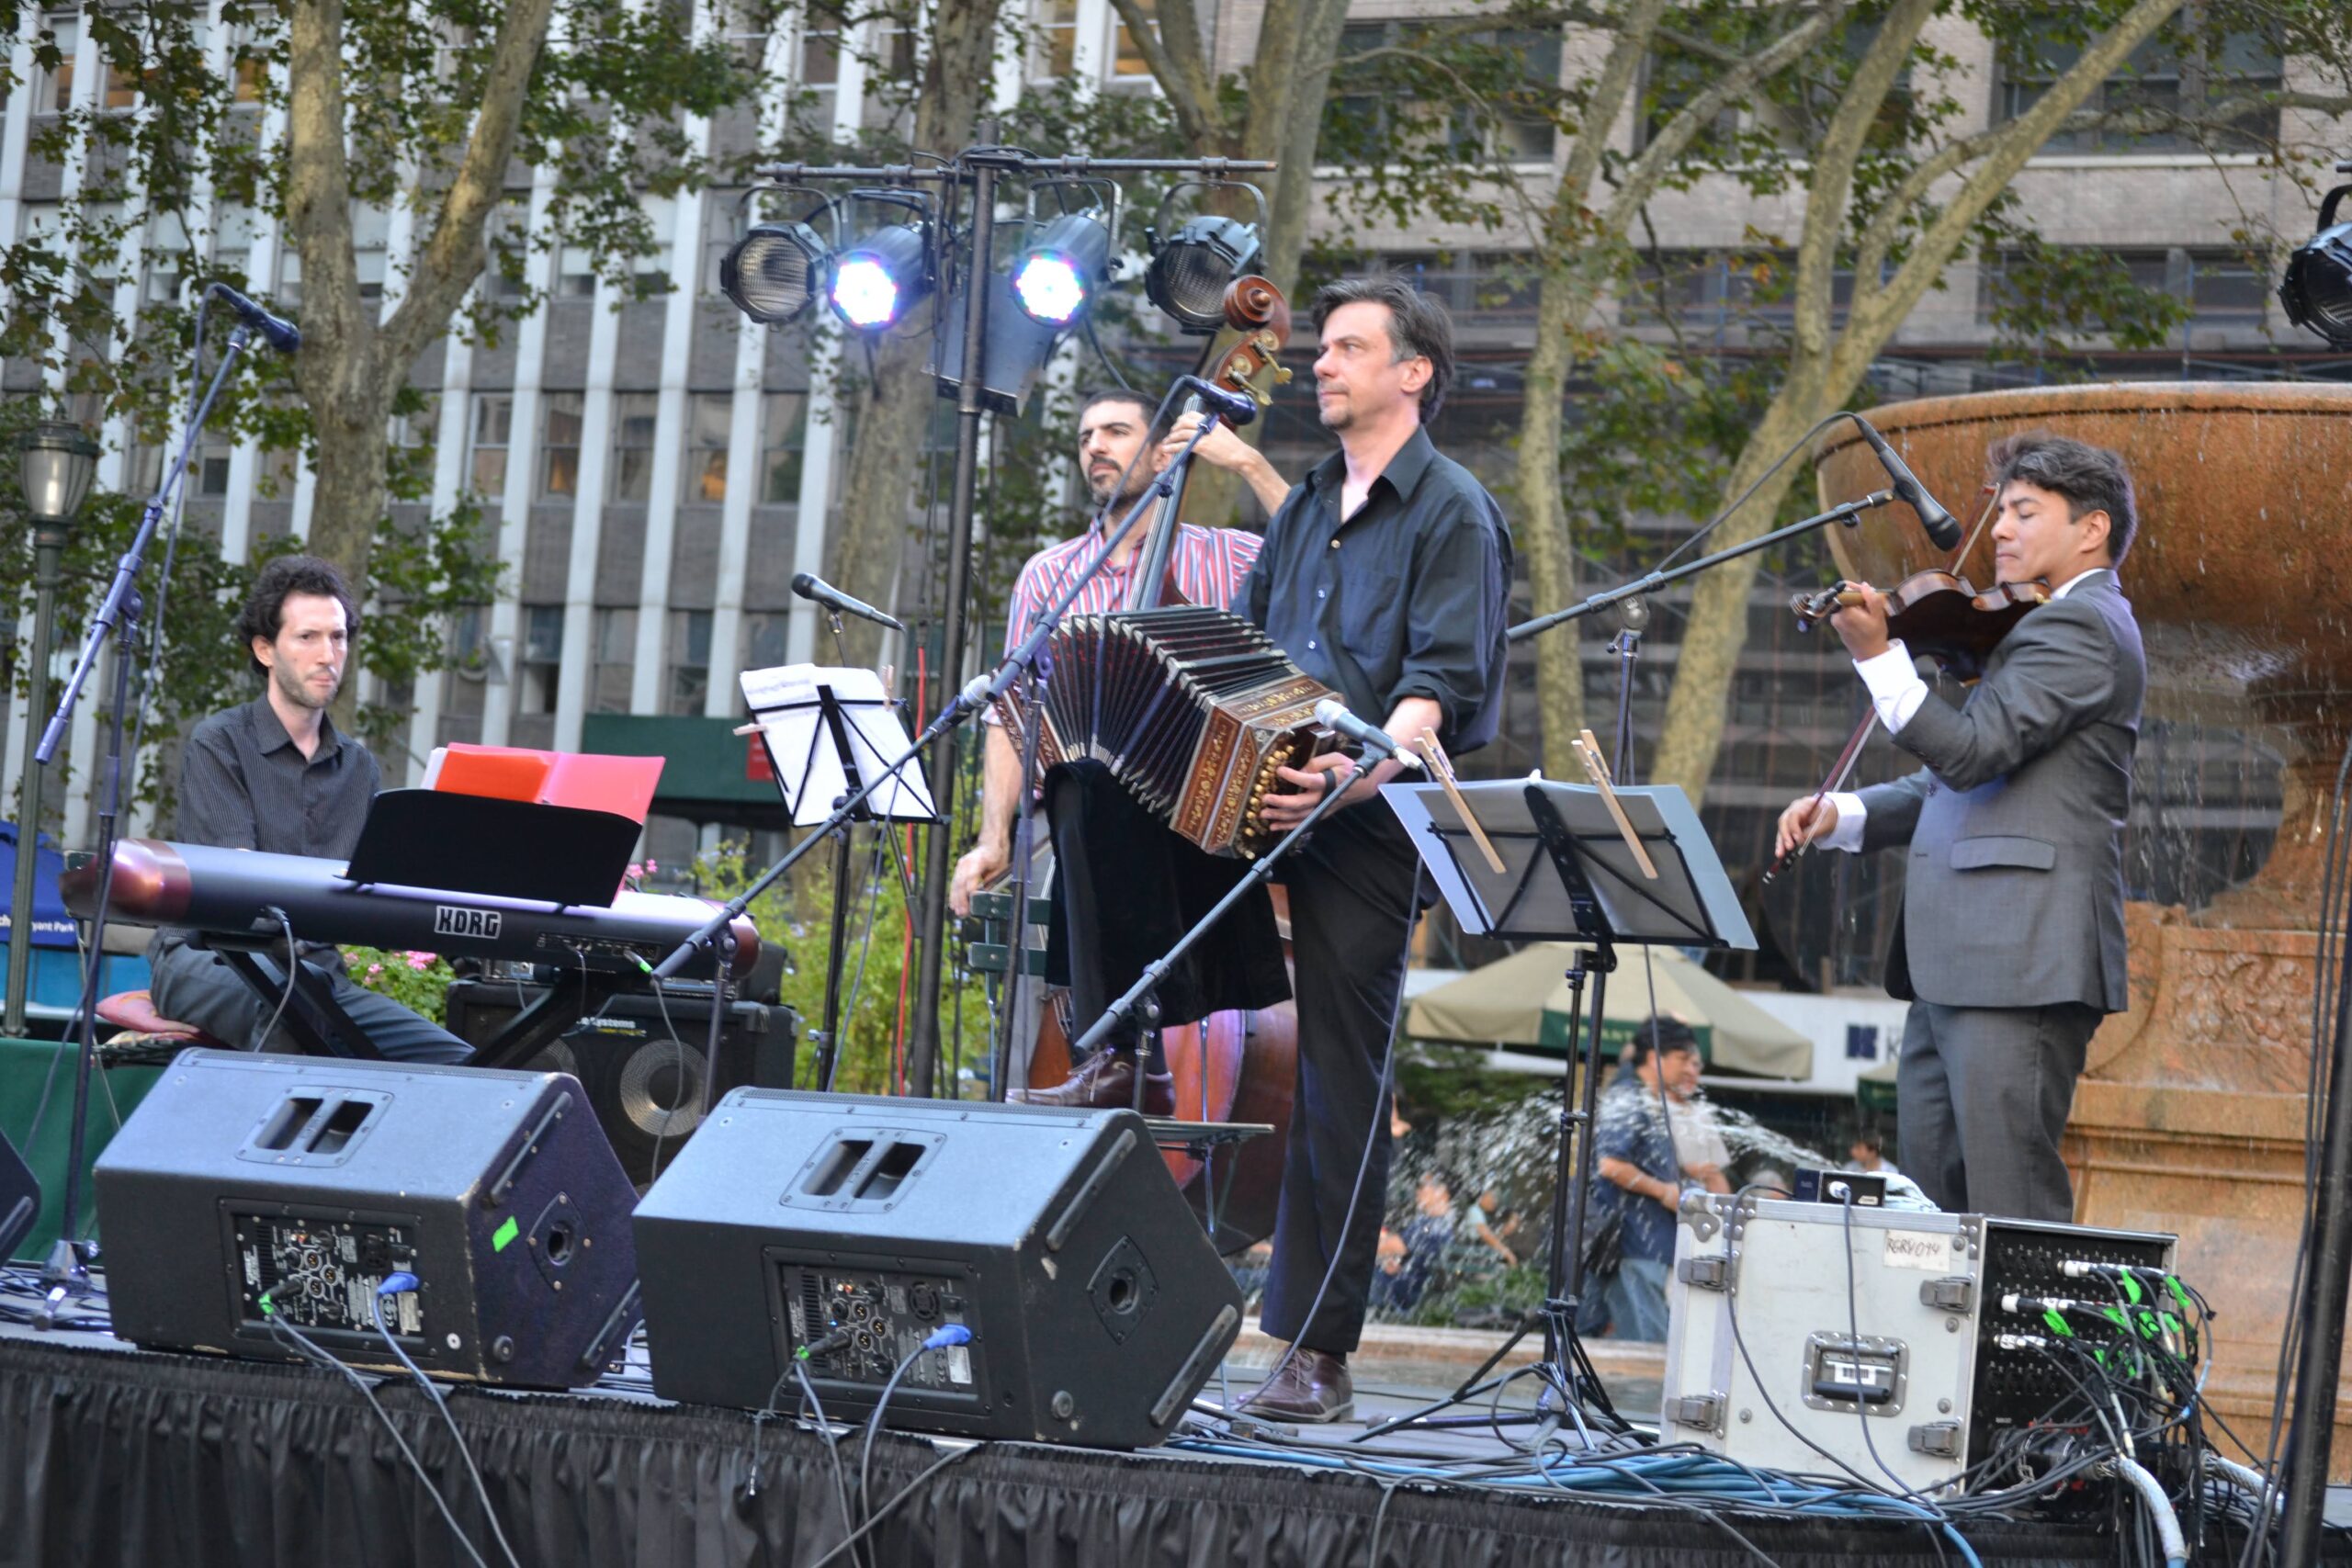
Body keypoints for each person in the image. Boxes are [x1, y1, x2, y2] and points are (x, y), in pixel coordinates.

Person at [1232, 276, 1512, 1424]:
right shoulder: (1303, 501)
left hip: (1368, 820)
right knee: (1112, 870)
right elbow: (1250, 649)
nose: (1321, 362)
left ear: (1413, 372)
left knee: (1340, 1083)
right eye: (1323, 347)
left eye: (1349, 347)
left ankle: (1318, 1349)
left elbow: (1436, 690)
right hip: (1263, 795)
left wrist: (1349, 775)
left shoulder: (1454, 509)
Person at [1775, 433, 2143, 1223]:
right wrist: (1846, 813)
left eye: (2024, 512)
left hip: (2019, 959)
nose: (2000, 529)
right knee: (1934, 1212)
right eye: (2000, 511)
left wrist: (1880, 660)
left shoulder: (2083, 626)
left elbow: (1972, 754)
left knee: (2008, 1207)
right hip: (1956, 963)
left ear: (2092, 529)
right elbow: (1958, 780)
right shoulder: (2033, 625)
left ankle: (2029, 1317)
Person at [946, 388, 1289, 1112]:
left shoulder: (1230, 556)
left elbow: (1324, 555)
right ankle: (1118, 1057)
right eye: (1085, 436)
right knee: (1080, 781)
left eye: (1115, 431)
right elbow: (1012, 715)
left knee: (1087, 788)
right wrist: (992, 836)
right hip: (1082, 820)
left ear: (1165, 452)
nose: (1095, 446)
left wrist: (1248, 464)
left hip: (1200, 815)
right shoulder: (1050, 575)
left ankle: (1125, 1055)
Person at [146, 556, 473, 1065]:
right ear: (265, 650)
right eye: (307, 637)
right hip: (206, 959)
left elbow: (376, 892)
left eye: (338, 637)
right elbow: (238, 891)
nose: (328, 654)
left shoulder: (358, 767)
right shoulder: (220, 742)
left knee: (463, 1064)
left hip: (316, 975)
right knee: (292, 1006)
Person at [1577, 1021, 1712, 1343]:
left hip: (1648, 1247)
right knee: (1649, 1350)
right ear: (1654, 1058)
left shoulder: (1652, 1101)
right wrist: (1665, 1192)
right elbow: (1610, 1165)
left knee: (1645, 1344)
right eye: (1682, 1058)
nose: (1689, 1068)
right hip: (1635, 1248)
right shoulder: (1629, 1098)